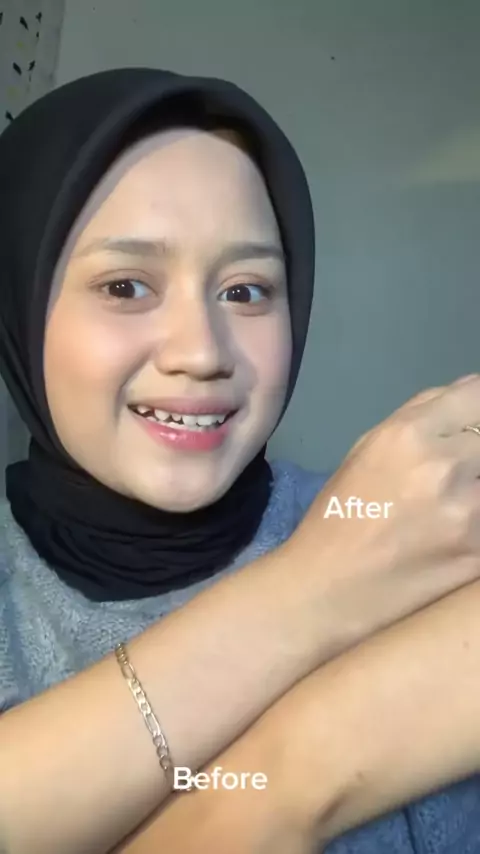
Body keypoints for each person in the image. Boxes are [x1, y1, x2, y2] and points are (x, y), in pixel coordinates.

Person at [1, 67, 480, 854]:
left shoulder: (424, 528)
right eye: (126, 286)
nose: (201, 353)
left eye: (247, 291)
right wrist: (318, 582)